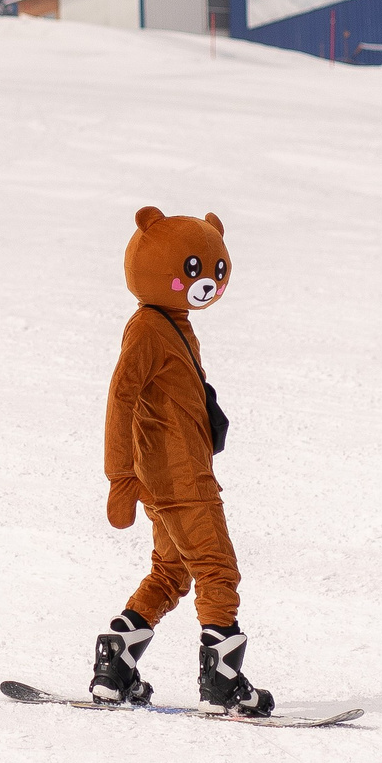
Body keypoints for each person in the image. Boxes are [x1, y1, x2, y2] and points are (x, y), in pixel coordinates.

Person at [89, 207, 273, 717]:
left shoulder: (170, 323)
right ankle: (223, 685)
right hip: (177, 475)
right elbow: (120, 399)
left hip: (174, 470)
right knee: (217, 569)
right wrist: (119, 476)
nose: (207, 283)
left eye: (216, 272)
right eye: (193, 270)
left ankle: (116, 661)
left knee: (171, 570)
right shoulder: (147, 329)